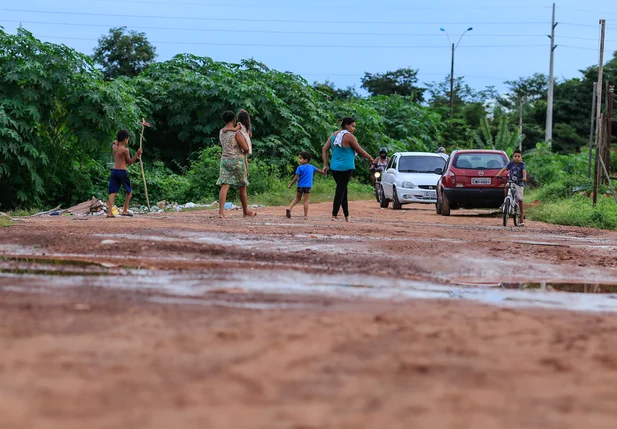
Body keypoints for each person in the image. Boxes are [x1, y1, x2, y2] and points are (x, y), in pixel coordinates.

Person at [322, 117, 374, 222]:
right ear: (346, 125)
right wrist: (370, 158)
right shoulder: (349, 137)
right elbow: (360, 151)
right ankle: (334, 214)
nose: (354, 128)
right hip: (346, 167)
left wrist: (325, 164)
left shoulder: (333, 135)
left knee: (343, 190)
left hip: (334, 168)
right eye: (353, 126)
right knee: (341, 191)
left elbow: (324, 149)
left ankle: (346, 215)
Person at [217, 110, 257, 219]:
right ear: (234, 119)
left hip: (225, 160)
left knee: (225, 185)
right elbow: (245, 148)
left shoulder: (222, 131)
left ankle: (221, 213)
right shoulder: (237, 133)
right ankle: (245, 211)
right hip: (237, 161)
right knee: (242, 186)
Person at [107, 130, 142, 218]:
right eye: (127, 139)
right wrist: (137, 154)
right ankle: (125, 210)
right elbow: (129, 162)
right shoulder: (125, 150)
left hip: (114, 171)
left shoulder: (114, 147)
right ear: (125, 139)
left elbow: (114, 142)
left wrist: (115, 142)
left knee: (113, 192)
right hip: (122, 172)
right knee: (129, 191)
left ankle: (109, 212)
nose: (128, 141)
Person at [286, 151, 326, 220]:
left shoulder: (299, 168)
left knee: (297, 198)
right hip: (308, 186)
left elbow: (296, 178)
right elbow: (322, 172)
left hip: (300, 186)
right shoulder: (312, 167)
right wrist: (325, 170)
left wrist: (290, 185)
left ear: (305, 160)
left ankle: (289, 208)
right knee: (306, 201)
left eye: (300, 158)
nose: (299, 160)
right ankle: (305, 216)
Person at [496, 149, 527, 226]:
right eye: (515, 156)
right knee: (506, 186)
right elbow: (504, 169)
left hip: (519, 183)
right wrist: (498, 174)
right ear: (513, 157)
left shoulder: (522, 164)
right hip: (511, 181)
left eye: (518, 156)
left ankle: (521, 218)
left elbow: (524, 171)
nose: (517, 158)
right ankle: (506, 200)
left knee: (520, 199)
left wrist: (524, 177)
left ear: (521, 158)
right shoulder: (510, 163)